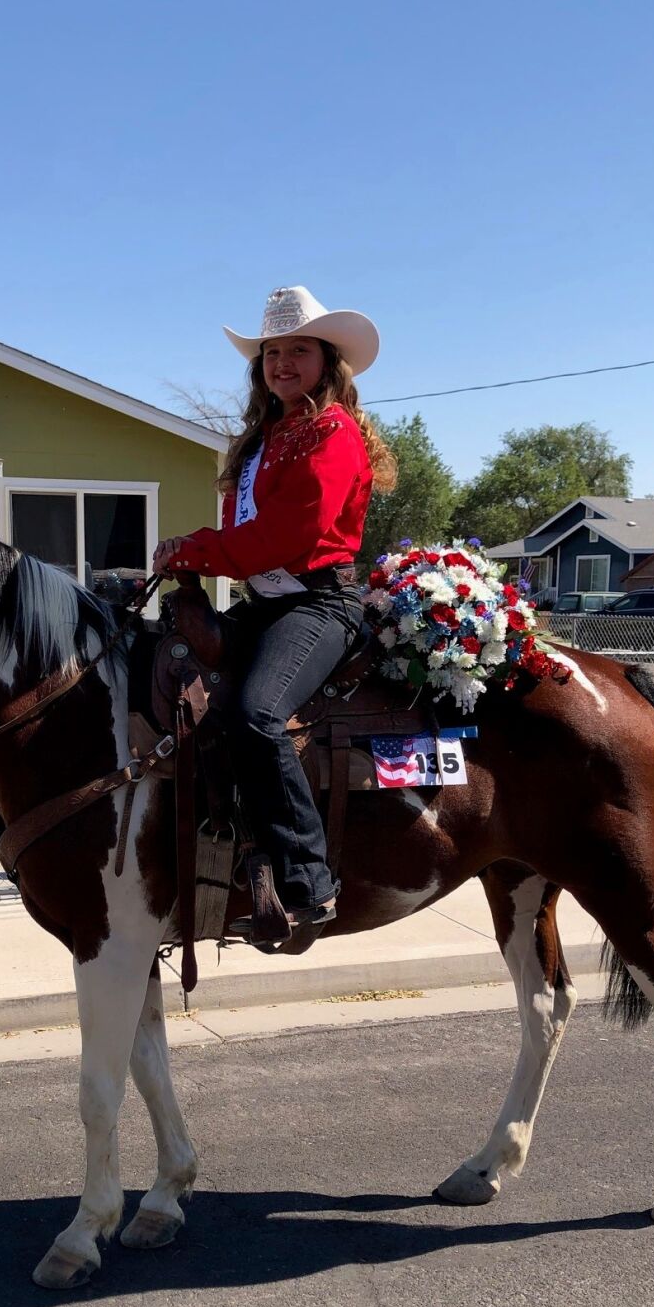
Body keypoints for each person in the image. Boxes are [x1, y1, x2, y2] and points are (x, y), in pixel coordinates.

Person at [153, 284, 397, 947]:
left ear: (327, 361)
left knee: (259, 712)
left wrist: (198, 549)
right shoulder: (265, 437)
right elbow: (253, 533)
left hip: (320, 602)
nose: (282, 362)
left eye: (298, 350)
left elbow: (291, 535)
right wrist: (192, 549)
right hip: (270, 603)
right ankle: (231, 852)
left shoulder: (332, 433)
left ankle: (311, 884)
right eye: (271, 352)